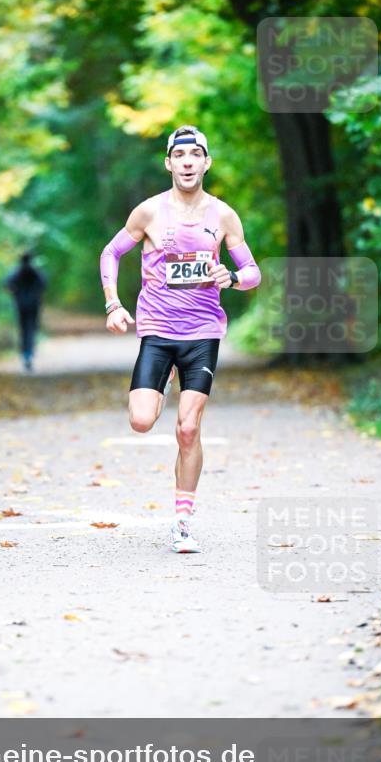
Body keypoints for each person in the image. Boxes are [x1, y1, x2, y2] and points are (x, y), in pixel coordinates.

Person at [99, 125, 261, 553]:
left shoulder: (223, 216)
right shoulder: (149, 212)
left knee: (188, 428)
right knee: (140, 421)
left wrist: (232, 278)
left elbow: (253, 273)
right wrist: (114, 304)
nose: (187, 162)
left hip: (203, 333)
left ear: (206, 162)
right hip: (157, 330)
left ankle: (183, 523)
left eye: (196, 155)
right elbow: (111, 253)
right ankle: (165, 382)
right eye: (180, 155)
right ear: (169, 163)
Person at [5, 252, 47, 372]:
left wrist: (16, 292)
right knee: (32, 328)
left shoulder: (16, 272)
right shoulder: (36, 271)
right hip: (34, 305)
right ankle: (29, 352)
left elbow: (7, 284)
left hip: (21, 305)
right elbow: (44, 283)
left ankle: (26, 354)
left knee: (23, 330)